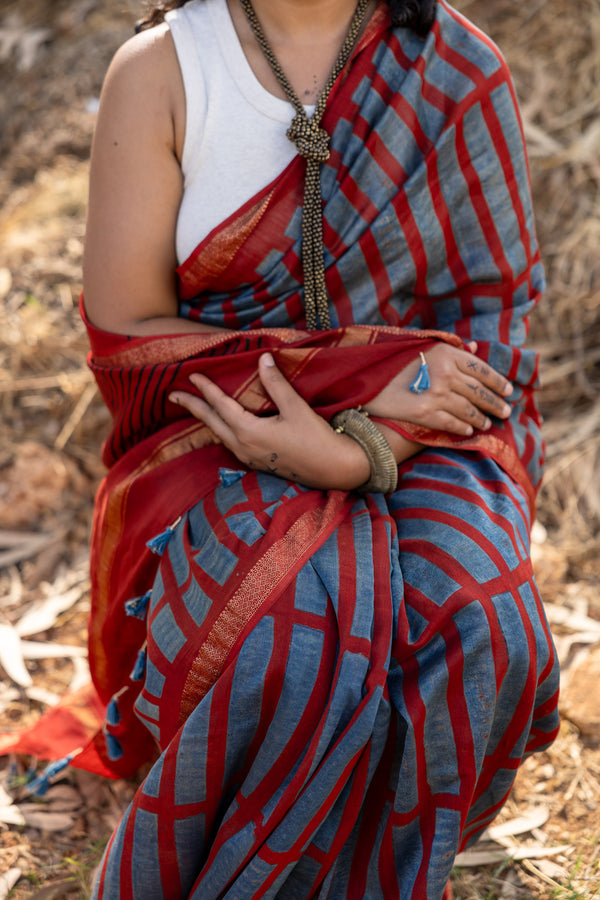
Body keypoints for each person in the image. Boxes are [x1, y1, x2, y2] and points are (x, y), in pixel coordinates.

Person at [77, 0, 560, 896]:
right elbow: (132, 337)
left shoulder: (452, 71)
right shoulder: (163, 73)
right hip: (218, 431)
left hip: (424, 435)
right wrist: (341, 381)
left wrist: (366, 444)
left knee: (479, 620)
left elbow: (488, 335)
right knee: (276, 640)